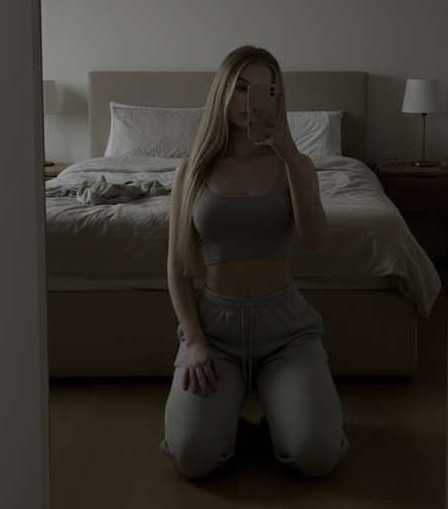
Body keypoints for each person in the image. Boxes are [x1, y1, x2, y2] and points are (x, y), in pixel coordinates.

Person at [160, 45, 350, 480]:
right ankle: (239, 418)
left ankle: (284, 412)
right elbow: (176, 265)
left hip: (285, 331)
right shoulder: (192, 169)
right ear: (223, 91)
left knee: (317, 455)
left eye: (266, 90)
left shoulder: (295, 165)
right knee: (191, 455)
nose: (250, 101)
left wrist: (290, 155)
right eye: (241, 88)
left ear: (278, 99)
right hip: (215, 331)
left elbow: (316, 240)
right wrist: (194, 340)